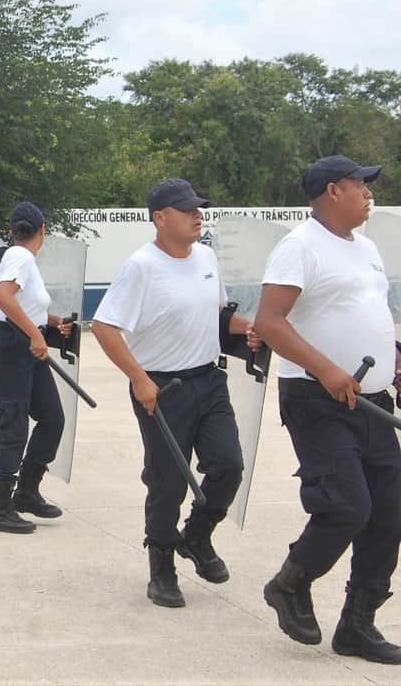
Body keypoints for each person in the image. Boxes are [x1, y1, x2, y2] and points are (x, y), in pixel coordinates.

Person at [253, 155, 401, 664]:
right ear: (332, 190)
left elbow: (369, 313)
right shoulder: (299, 246)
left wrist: (398, 362)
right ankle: (290, 583)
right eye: (359, 184)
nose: (368, 193)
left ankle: (357, 626)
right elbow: (270, 322)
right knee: (347, 506)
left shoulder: (366, 248)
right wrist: (326, 369)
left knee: (387, 515)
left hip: (372, 401)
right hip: (316, 399)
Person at [91, 179, 259, 608]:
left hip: (208, 380)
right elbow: (105, 327)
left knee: (228, 466)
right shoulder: (141, 267)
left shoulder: (205, 256)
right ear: (160, 218)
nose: (197, 215)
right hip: (161, 388)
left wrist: (253, 329)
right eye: (187, 210)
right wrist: (139, 378)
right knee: (168, 481)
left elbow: (219, 314)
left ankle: (197, 536)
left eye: (199, 208)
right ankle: (161, 567)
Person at [0, 202, 74, 534]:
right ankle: (0, 510)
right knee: (13, 425)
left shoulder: (22, 260)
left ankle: (27, 491)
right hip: (10, 346)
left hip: (21, 345)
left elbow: (20, 302)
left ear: (12, 229)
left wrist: (51, 322)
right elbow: (3, 298)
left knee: (52, 418)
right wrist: (36, 334)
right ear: (43, 230)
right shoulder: (20, 256)